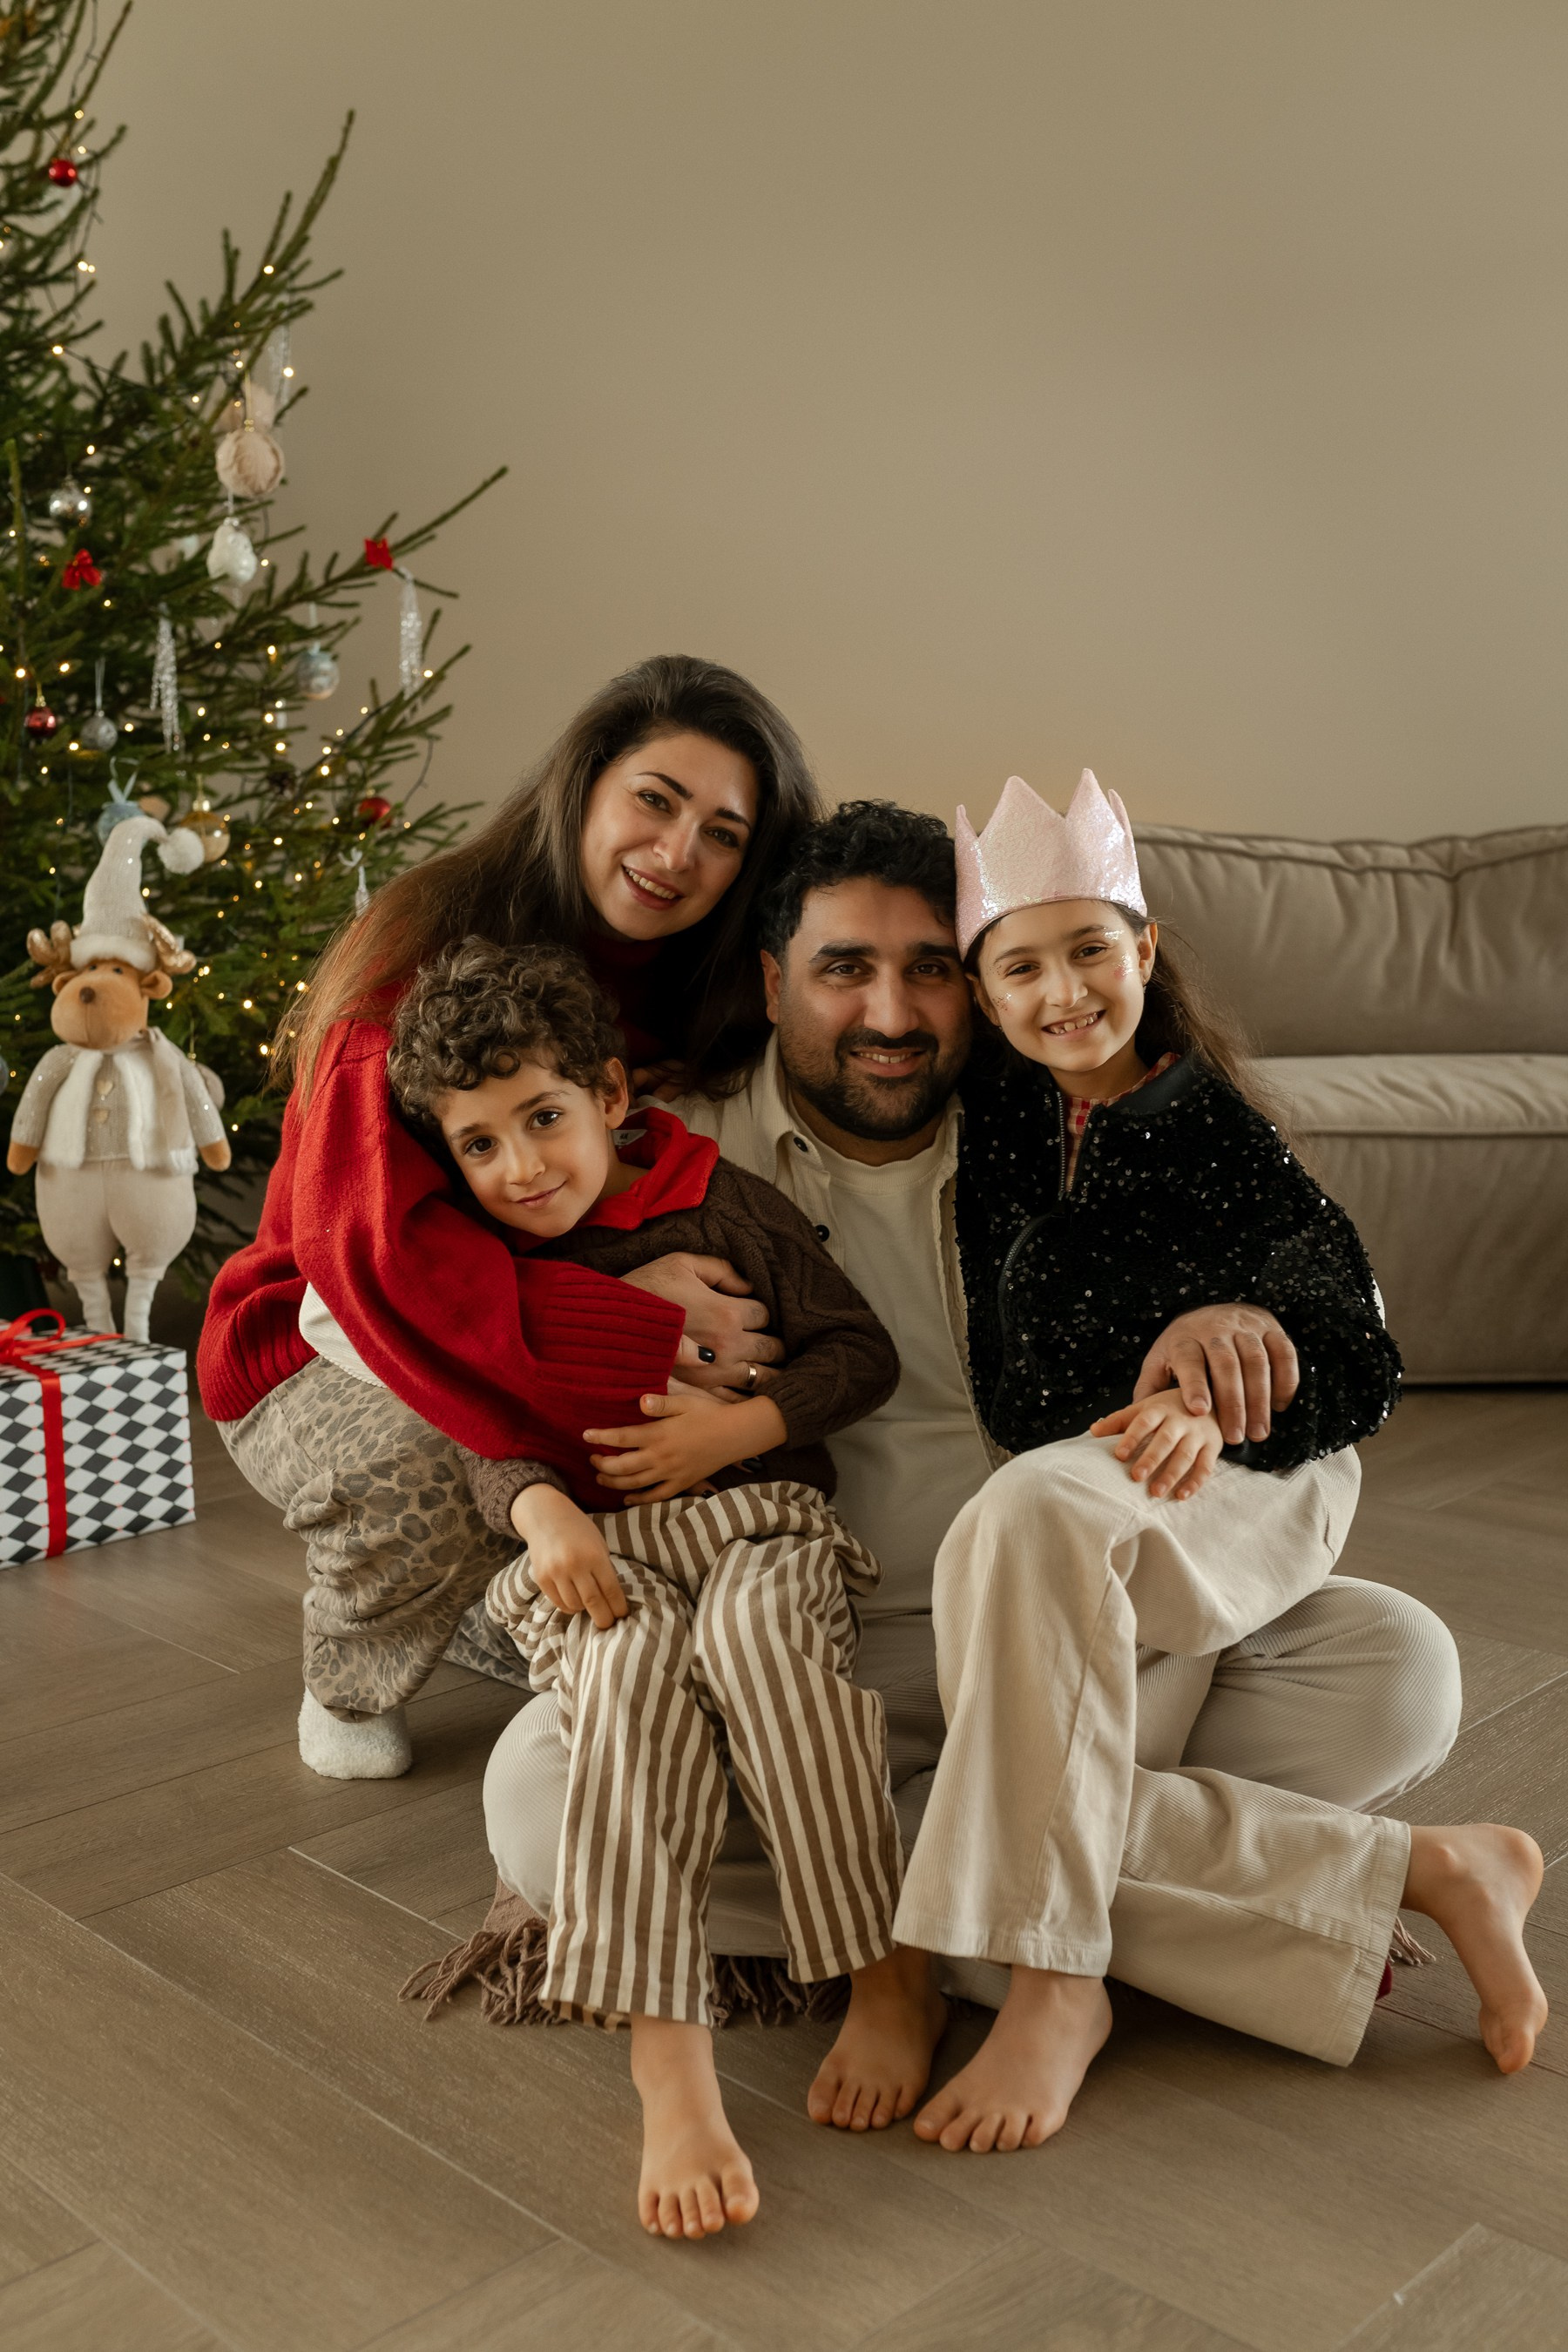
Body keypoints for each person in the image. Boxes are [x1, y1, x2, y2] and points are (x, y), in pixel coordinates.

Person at [482, 798, 1504, 2138]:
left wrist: (1241, 1325)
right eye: (848, 970)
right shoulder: (654, 1155)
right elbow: (386, 1298)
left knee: (1402, 1673)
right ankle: (1301, 1882)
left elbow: (1297, 1291)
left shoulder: (1059, 1118)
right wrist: (618, 1314)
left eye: (930, 973)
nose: (893, 1014)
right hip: (801, 1652)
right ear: (775, 977)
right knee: (538, 1807)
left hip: (1089, 1643)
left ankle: (934, 1900)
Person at [894, 770, 1547, 2154]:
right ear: (983, 992)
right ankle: (1431, 1871)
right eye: (1022, 966)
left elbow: (1362, 1355)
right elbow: (1018, 1380)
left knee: (1019, 1527)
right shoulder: (1002, 1128)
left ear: (1144, 953)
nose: (1063, 990)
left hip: (1254, 1476)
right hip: (1102, 1493)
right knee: (1038, 1767)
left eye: (1090, 951)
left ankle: (1057, 1985)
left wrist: (1239, 1353)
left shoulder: (1217, 1135)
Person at [196, 654, 820, 1781]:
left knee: (689, 1409)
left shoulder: (693, 983)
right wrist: (629, 1319)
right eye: (656, 800)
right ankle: (347, 1674)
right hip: (315, 1334)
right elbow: (378, 1261)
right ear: (583, 786)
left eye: (724, 834)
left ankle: (501, 1601)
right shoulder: (420, 949)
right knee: (437, 1465)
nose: (679, 854)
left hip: (524, 1304)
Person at [386, 937, 922, 2241]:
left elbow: (862, 1353)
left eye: (545, 1121)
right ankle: (666, 2048)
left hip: (759, 1522)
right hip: (602, 1552)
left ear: (613, 1098)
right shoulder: (479, 1257)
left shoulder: (723, 1199)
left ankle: (887, 1972)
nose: (520, 1169)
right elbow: (477, 1419)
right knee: (622, 1681)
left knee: (764, 1653)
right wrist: (542, 1508)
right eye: (480, 1145)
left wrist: (734, 1431)